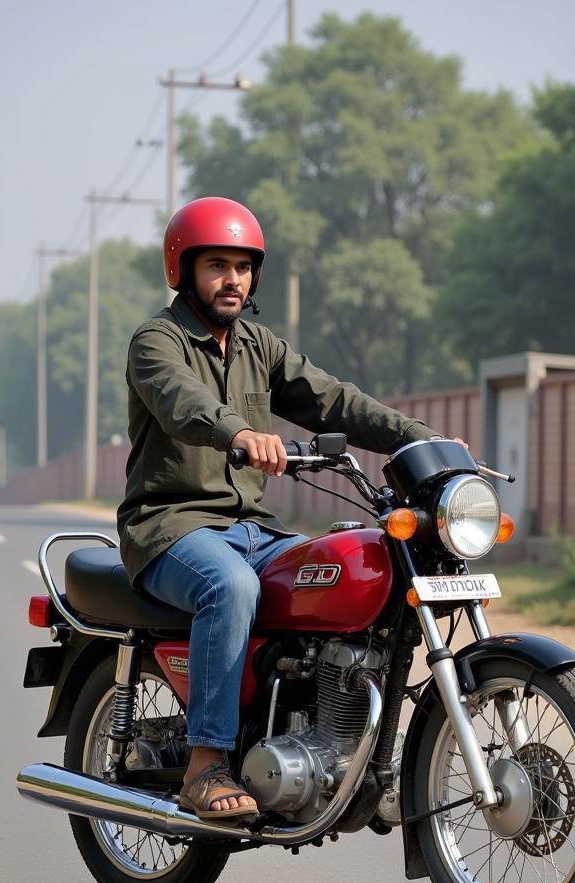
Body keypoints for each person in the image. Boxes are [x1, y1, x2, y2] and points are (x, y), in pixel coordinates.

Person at [119, 196, 460, 822]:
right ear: (183, 269)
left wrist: (419, 436)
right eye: (217, 265)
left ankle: (341, 744)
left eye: (243, 267)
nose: (232, 279)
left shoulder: (258, 344)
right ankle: (204, 765)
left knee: (354, 568)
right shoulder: (156, 341)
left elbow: (334, 401)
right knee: (230, 587)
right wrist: (237, 433)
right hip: (170, 529)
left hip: (251, 529)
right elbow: (180, 400)